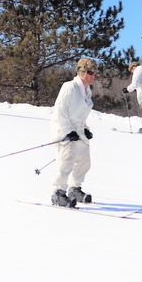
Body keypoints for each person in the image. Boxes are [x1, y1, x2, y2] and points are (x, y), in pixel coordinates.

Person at [49, 58, 97, 207]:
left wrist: (86, 129)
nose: (93, 75)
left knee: (84, 160)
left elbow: (80, 115)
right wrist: (68, 131)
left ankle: (74, 188)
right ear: (81, 72)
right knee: (66, 160)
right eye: (90, 72)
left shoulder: (86, 90)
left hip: (78, 132)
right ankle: (58, 193)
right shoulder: (69, 87)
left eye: (94, 72)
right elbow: (60, 111)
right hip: (65, 131)